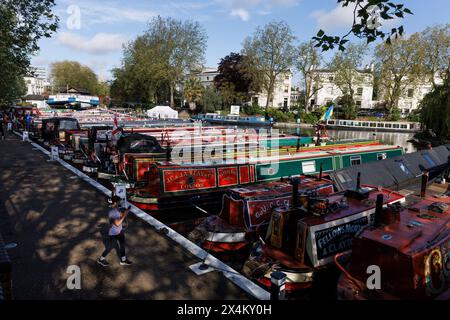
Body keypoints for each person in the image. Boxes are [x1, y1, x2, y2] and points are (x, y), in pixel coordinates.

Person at [97, 196, 132, 266]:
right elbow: (117, 223)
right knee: (109, 248)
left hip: (120, 231)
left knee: (122, 246)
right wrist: (125, 214)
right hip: (114, 233)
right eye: (119, 201)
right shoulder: (112, 212)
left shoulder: (117, 209)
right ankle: (101, 259)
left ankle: (123, 260)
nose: (120, 203)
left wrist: (126, 211)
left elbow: (120, 216)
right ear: (115, 202)